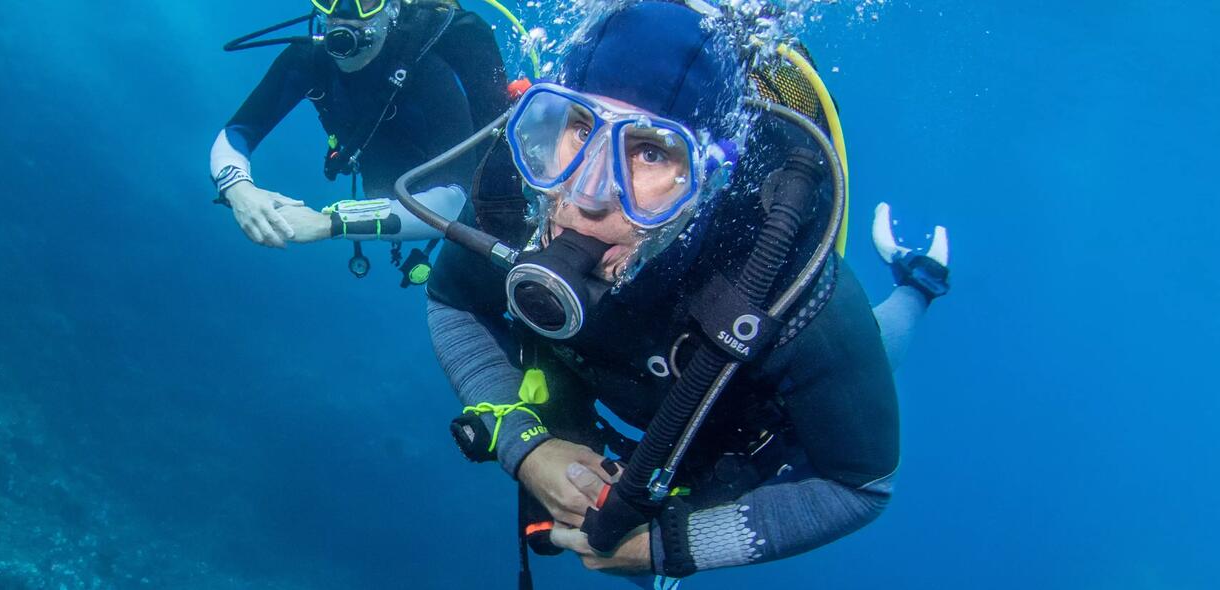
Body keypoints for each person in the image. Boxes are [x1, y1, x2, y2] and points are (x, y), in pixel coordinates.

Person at [403, 1, 949, 585]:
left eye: (649, 151)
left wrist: (675, 546)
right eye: (581, 129)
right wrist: (526, 446)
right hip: (612, 382)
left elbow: (859, 485)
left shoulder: (784, 280)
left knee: (883, 339)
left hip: (740, 403)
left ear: (708, 178)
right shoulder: (512, 197)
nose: (588, 194)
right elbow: (452, 302)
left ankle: (920, 279)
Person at [209, 0, 531, 285]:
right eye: (328, 0)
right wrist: (238, 190)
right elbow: (236, 132)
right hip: (386, 190)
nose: (344, 13)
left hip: (467, 199)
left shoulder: (429, 75)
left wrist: (330, 224)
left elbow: (452, 202)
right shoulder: (306, 60)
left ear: (391, 8)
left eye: (366, 2)